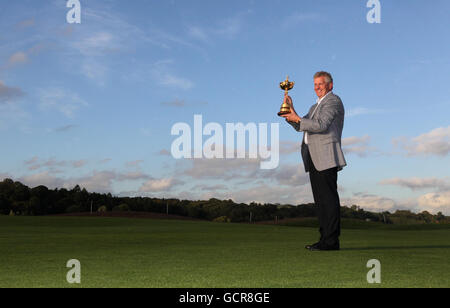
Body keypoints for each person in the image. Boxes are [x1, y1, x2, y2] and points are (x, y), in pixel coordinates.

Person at [281, 71, 347, 251]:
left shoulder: (333, 101)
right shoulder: (314, 107)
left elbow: (321, 125)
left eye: (321, 84)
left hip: (326, 155)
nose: (317, 87)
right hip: (313, 156)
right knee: (321, 201)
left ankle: (331, 242)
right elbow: (301, 125)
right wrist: (290, 112)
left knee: (328, 200)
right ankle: (324, 239)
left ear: (330, 86)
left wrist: (298, 119)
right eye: (315, 84)